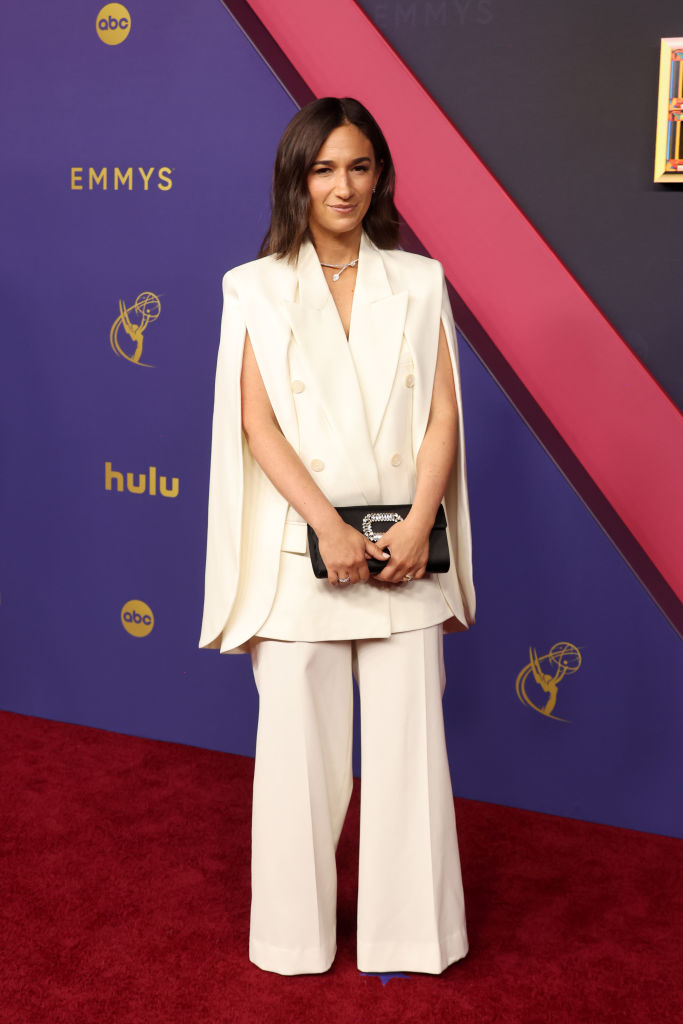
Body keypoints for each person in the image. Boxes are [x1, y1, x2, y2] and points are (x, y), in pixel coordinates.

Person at [199, 97, 475, 976]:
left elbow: (440, 415)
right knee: (295, 764)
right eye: (323, 169)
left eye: (358, 166)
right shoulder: (254, 286)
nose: (342, 185)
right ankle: (291, 940)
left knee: (409, 759)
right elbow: (257, 423)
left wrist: (419, 520)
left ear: (379, 175)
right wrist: (327, 527)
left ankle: (411, 938)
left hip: (406, 549)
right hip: (299, 555)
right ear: (296, 179)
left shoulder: (420, 279)